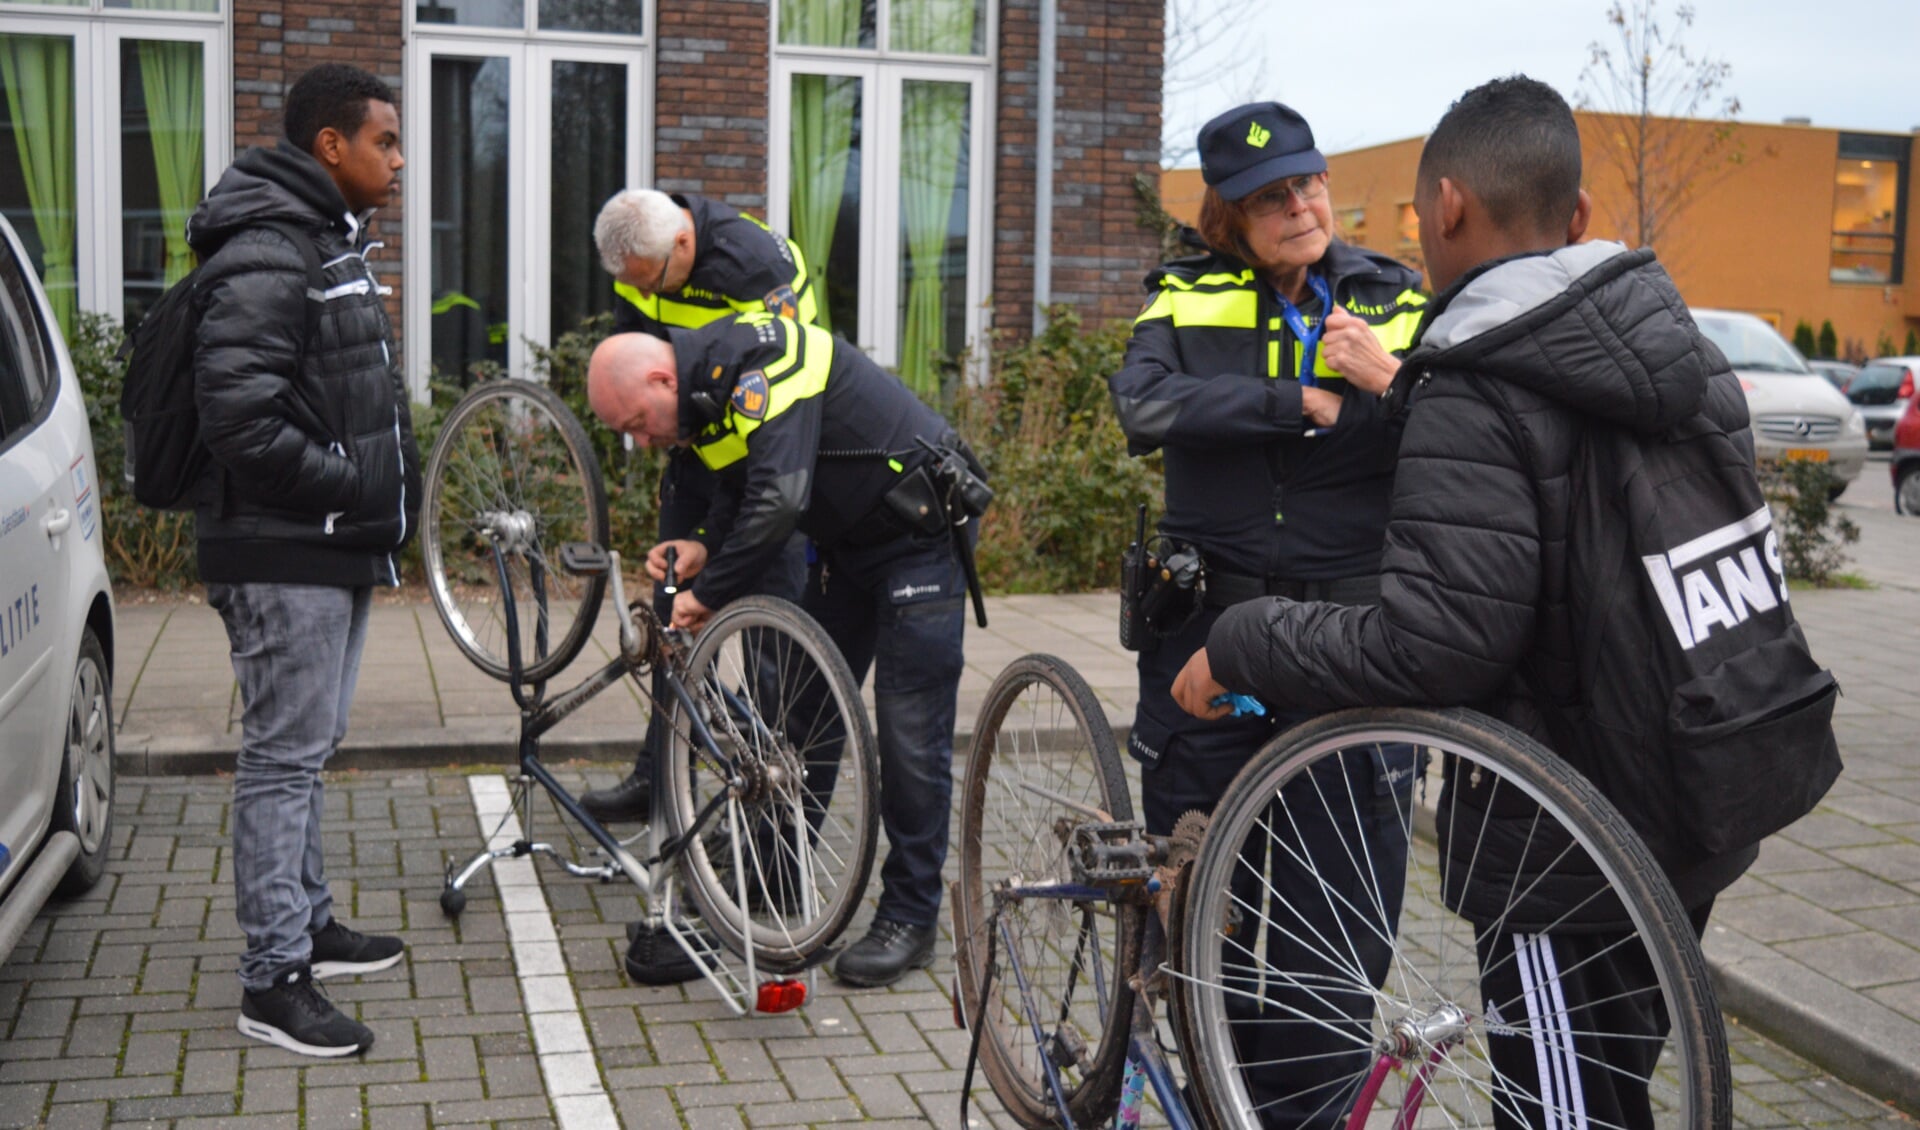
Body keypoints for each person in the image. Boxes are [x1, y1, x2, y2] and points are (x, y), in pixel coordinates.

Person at [1175, 76, 1788, 1127]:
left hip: (1564, 837)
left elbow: (1433, 642)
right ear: (1582, 218)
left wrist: (1242, 638)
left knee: (1556, 1107)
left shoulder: (1476, 379)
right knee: (1609, 1081)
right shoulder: (1682, 351)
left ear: (1447, 207)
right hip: (1703, 786)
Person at [1105, 100, 1426, 1126]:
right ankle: (1211, 1079)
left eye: (1310, 183)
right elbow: (1143, 407)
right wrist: (1290, 401)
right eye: (1271, 197)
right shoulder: (1185, 297)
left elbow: (1448, 423)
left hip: (1345, 644)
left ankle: (1304, 1108)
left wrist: (1378, 376)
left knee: (1341, 918)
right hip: (1208, 641)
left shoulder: (1394, 296)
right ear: (1229, 218)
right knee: (1195, 893)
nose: (1301, 206)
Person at [586, 312, 982, 988]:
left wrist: (705, 591)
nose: (641, 440)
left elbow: (778, 499)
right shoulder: (703, 399)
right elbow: (743, 487)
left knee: (908, 737)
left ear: (660, 377)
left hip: (918, 535)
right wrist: (705, 539)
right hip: (849, 548)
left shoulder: (762, 363)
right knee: (799, 723)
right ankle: (775, 887)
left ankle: (911, 919)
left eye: (635, 422)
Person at [188, 63, 419, 1057]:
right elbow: (238, 411)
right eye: (387, 142)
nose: (399, 162)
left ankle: (311, 924)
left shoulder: (322, 238)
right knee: (282, 760)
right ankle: (273, 976)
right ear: (332, 146)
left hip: (328, 545)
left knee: (308, 748)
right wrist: (343, 481)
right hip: (285, 548)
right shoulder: (271, 248)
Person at [577, 189, 818, 825]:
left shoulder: (757, 267)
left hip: (763, 460)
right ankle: (661, 775)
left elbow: (788, 381)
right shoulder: (642, 261)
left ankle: (769, 809)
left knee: (770, 631)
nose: (647, 295)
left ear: (683, 244)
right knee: (669, 616)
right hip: (694, 446)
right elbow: (644, 351)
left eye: (652, 281)